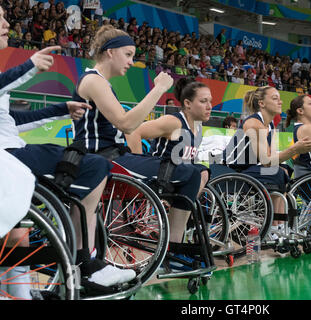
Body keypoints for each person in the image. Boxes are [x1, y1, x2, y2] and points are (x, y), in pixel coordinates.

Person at [0, 6, 135, 298]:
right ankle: (83, 261)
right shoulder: (93, 80)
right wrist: (29, 67)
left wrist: (62, 109)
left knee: (15, 225)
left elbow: (11, 121)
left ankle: (21, 293)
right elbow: (126, 123)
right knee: (92, 165)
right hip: (6, 156)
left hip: (10, 151)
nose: (6, 22)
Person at [70, 25, 201, 257]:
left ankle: (173, 245)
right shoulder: (93, 81)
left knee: (194, 172)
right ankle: (172, 248)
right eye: (128, 54)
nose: (131, 61)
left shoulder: (101, 83)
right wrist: (159, 89)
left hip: (114, 156)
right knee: (191, 173)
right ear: (110, 52)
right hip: (103, 159)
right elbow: (127, 124)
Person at [217, 86, 311, 235]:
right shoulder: (254, 124)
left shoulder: (269, 125)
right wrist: (294, 149)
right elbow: (267, 162)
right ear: (262, 103)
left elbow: (271, 158)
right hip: (228, 171)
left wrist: (290, 154)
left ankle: (279, 225)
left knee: (283, 170)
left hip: (244, 169)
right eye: (275, 98)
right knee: (276, 172)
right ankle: (274, 227)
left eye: (279, 98)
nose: (280, 101)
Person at [126, 77, 212, 200]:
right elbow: (133, 131)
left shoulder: (198, 127)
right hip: (160, 171)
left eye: (210, 101)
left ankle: (185, 210)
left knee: (203, 171)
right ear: (188, 103)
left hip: (180, 172)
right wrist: (137, 164)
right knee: (198, 172)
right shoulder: (174, 122)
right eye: (203, 101)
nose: (209, 106)